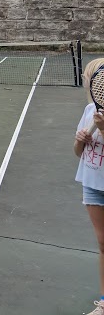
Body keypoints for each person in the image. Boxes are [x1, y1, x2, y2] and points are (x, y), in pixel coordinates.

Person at [75, 57, 104, 315]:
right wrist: (81, 139)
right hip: (93, 185)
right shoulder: (88, 113)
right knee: (103, 244)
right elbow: (77, 153)